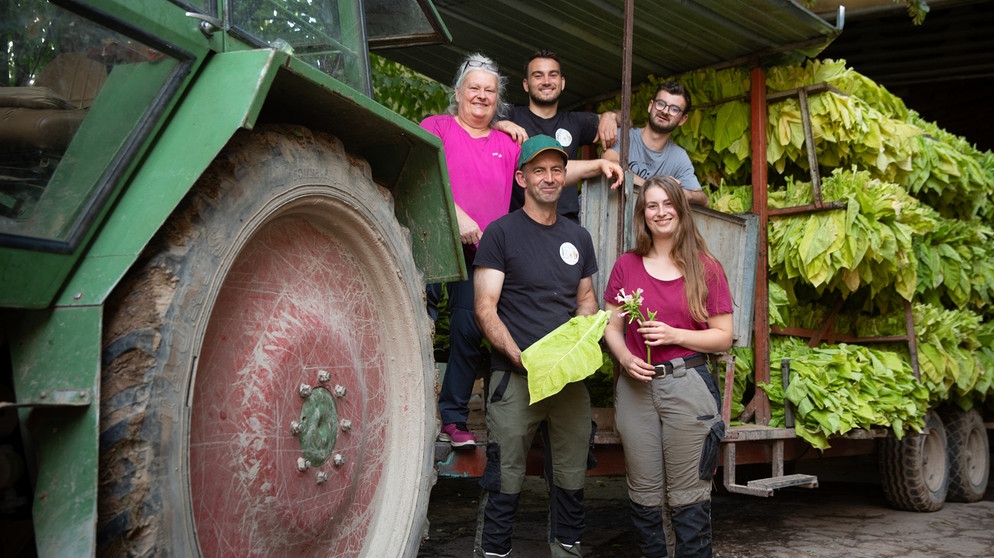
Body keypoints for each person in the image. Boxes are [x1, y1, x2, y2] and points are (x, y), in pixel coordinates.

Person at [473, 135, 599, 557]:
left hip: (567, 382)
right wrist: (522, 357)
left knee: (571, 479)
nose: (549, 178)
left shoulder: (578, 237)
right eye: (539, 170)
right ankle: (493, 553)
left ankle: (566, 551)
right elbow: (485, 308)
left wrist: (585, 337)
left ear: (565, 177)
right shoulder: (501, 233)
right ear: (521, 177)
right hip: (515, 379)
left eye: (557, 170)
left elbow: (586, 301)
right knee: (504, 479)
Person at [602, 176, 733, 558]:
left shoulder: (705, 267)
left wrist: (675, 334)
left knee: (688, 497)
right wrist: (624, 357)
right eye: (651, 206)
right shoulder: (627, 265)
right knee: (644, 497)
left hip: (687, 384)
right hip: (636, 389)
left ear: (680, 208)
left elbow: (723, 336)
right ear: (643, 215)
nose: (660, 212)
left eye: (666, 204)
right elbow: (611, 327)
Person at [421, 52, 521, 448]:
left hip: (481, 253)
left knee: (467, 331)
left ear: (498, 100)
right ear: (458, 92)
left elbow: (546, 172)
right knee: (417, 324)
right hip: (432, 239)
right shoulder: (438, 126)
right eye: (474, 88)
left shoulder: (507, 141)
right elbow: (423, 169)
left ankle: (453, 419)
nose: (481, 96)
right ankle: (412, 408)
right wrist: (456, 214)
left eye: (489, 91)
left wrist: (601, 164)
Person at [497, 49, 620, 223]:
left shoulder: (575, 121)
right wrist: (499, 124)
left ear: (562, 83)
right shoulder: (511, 116)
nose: (546, 81)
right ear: (526, 84)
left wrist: (610, 116)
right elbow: (473, 121)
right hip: (520, 222)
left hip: (566, 222)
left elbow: (627, 119)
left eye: (552, 75)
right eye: (538, 76)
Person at [603, 82, 710, 207]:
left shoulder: (678, 157)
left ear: (682, 120)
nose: (665, 111)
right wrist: (661, 188)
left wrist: (680, 192)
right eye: (661, 104)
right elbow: (611, 165)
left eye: (674, 109)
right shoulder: (622, 136)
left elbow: (704, 200)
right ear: (650, 106)